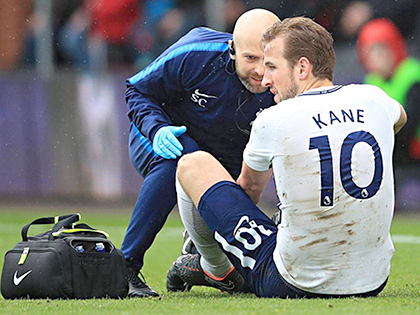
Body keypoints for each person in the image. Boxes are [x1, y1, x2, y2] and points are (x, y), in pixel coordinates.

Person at [167, 17, 407, 298]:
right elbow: (399, 118)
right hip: (373, 281)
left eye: (272, 67)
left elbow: (248, 192)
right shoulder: (374, 98)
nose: (265, 78)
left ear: (302, 68)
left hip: (294, 281)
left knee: (192, 164)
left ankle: (216, 268)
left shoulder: (274, 118)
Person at [122, 9, 280, 297]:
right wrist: (157, 130)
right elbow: (137, 90)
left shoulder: (287, 79)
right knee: (178, 160)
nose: (260, 71)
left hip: (228, 155)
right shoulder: (195, 52)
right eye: (250, 58)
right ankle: (125, 268)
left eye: (267, 61)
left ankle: (195, 257)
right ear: (232, 49)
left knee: (240, 276)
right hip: (166, 139)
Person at [357, 18, 420, 164]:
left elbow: (409, 125)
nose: (379, 58)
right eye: (372, 52)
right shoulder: (372, 80)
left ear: (395, 47)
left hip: (413, 153)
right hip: (391, 151)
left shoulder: (412, 74)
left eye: (383, 49)